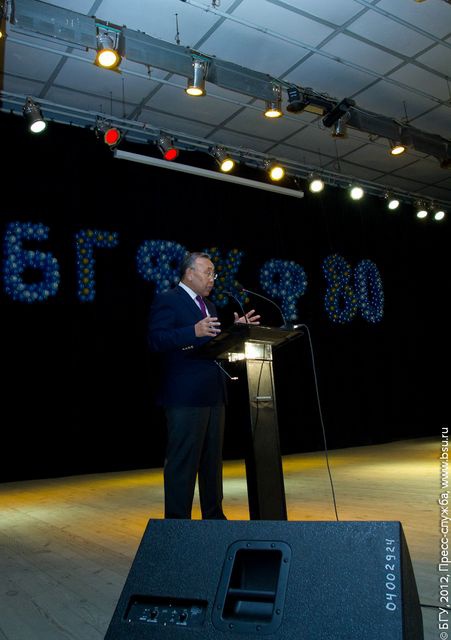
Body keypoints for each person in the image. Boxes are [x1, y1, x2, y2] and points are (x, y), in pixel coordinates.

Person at [148, 251, 260, 519]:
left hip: (214, 394)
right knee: (183, 464)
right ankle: (178, 526)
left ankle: (214, 519)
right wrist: (192, 331)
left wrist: (235, 331)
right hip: (185, 397)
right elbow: (155, 340)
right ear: (189, 273)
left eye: (214, 273)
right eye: (208, 272)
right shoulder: (168, 299)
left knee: (212, 464)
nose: (213, 278)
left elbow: (212, 345)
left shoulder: (209, 306)